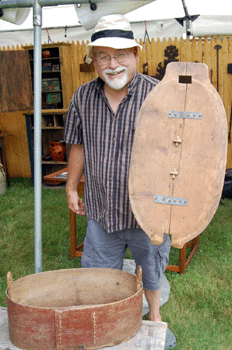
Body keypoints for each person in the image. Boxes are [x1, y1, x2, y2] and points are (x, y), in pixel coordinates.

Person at [64, 14, 171, 322]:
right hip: (100, 208)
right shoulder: (82, 97)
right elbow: (77, 145)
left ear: (135, 55)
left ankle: (154, 318)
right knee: (99, 271)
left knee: (150, 268)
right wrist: (71, 187)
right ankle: (105, 319)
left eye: (120, 55)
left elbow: (178, 153)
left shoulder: (159, 96)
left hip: (147, 212)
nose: (113, 64)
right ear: (94, 61)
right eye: (103, 57)